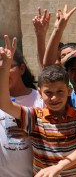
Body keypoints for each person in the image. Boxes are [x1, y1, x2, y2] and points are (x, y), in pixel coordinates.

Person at [0, 36, 76, 177]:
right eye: (48, 93)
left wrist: (59, 166)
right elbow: (5, 104)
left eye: (59, 91)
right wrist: (5, 67)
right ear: (40, 94)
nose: (54, 98)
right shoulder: (35, 116)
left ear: (69, 91)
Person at [0, 46, 43, 176]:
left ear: (22, 69)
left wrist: (33, 134)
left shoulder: (41, 99)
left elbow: (58, 135)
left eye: (8, 67)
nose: (3, 72)